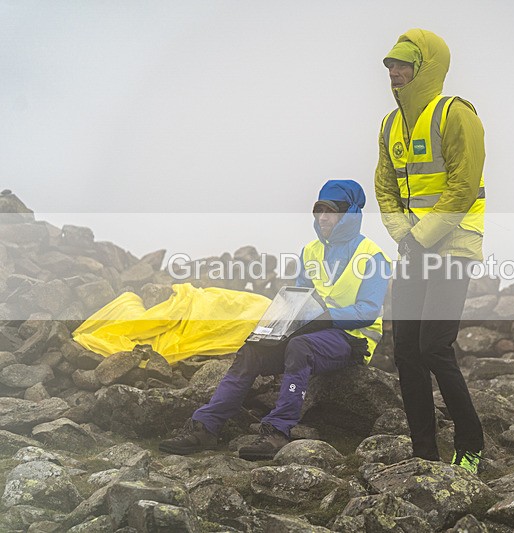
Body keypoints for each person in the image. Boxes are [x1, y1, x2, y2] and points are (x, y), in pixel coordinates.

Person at [159, 180, 390, 460]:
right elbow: (299, 298)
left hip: (353, 340)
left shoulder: (372, 256)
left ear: (351, 213)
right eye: (319, 209)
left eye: (332, 210)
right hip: (315, 333)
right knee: (252, 350)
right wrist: (280, 325)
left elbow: (367, 311)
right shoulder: (311, 252)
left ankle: (277, 432)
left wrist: (327, 319)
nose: (323, 216)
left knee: (300, 348)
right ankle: (205, 427)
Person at [374, 29, 486, 474]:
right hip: (413, 248)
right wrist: (404, 234)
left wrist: (420, 238)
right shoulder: (389, 124)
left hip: (453, 247)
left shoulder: (457, 114)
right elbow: (385, 187)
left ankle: (472, 444)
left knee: (435, 347)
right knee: (404, 350)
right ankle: (424, 452)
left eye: (402, 64)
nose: (393, 72)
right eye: (389, 65)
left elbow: (462, 187)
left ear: (426, 68)